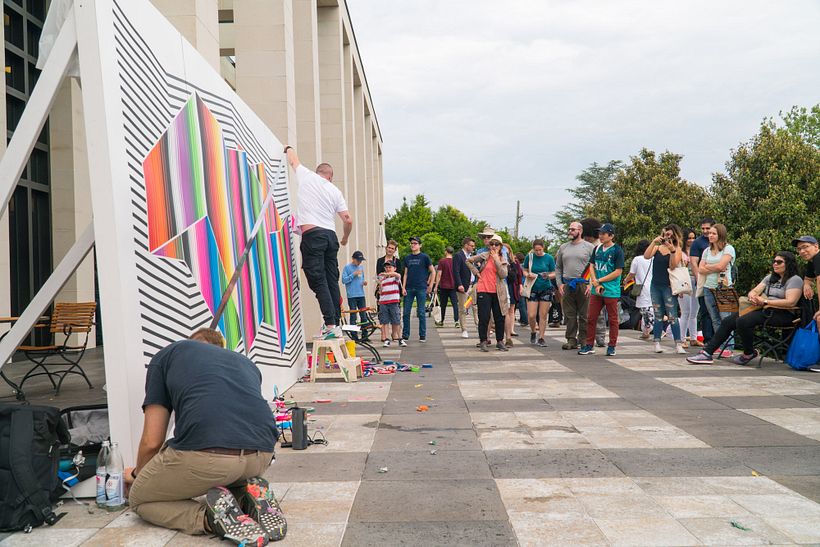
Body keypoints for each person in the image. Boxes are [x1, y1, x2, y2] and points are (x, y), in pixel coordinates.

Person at [125, 328, 285, 545]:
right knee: (224, 475)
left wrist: (138, 477)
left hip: (210, 458)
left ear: (190, 343)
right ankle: (247, 497)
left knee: (140, 499)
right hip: (261, 456)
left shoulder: (167, 356)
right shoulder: (244, 363)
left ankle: (210, 519)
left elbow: (152, 441)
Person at [687, 251, 803, 365]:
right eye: (774, 261)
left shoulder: (795, 280)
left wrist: (766, 301)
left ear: (788, 264)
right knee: (728, 321)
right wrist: (753, 296)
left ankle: (749, 352)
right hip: (764, 309)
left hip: (783, 313)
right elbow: (754, 291)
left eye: (779, 262)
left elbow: (791, 302)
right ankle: (707, 353)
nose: (775, 264)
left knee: (743, 321)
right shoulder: (770, 278)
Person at [285, 146, 351, 339]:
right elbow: (348, 219)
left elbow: (293, 160)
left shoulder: (307, 176)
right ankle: (335, 323)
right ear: (330, 176)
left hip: (313, 235)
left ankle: (330, 324)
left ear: (318, 173)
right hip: (331, 237)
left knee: (318, 279)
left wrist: (288, 148)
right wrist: (345, 237)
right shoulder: (335, 191)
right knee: (331, 280)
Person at [578, 223, 624, 357]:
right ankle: (589, 345)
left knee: (613, 319)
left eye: (604, 233)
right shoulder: (597, 248)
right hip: (596, 289)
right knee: (591, 317)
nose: (601, 236)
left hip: (611, 290)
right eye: (600, 233)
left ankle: (612, 346)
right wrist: (594, 281)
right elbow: (591, 266)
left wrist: (600, 280)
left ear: (611, 235)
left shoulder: (617, 250)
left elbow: (618, 271)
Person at [644, 224, 686, 354]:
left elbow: (673, 266)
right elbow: (646, 256)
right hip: (655, 285)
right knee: (658, 315)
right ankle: (657, 342)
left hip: (668, 286)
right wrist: (653, 242)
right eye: (665, 234)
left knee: (672, 315)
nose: (667, 237)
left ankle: (678, 343)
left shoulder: (677, 249)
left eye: (669, 234)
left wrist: (672, 250)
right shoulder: (657, 248)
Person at [555, 221, 595, 350]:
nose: (570, 232)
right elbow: (558, 267)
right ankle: (571, 339)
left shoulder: (589, 247)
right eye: (569, 229)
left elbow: (594, 267)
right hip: (567, 284)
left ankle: (583, 340)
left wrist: (591, 284)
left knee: (585, 315)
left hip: (584, 284)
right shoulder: (563, 247)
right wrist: (559, 284)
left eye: (573, 229)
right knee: (569, 314)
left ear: (580, 231)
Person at [699, 223, 736, 358]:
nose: (710, 235)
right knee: (714, 318)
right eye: (709, 233)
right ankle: (719, 345)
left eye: (713, 233)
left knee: (726, 317)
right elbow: (700, 268)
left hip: (723, 288)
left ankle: (729, 346)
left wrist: (708, 266)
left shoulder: (728, 249)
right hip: (708, 287)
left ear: (720, 235)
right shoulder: (706, 251)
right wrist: (713, 267)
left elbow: (722, 266)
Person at [468, 234, 509, 352]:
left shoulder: (502, 258)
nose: (494, 246)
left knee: (499, 317)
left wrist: (496, 259)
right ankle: (483, 341)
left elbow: (503, 274)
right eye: (492, 244)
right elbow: (468, 261)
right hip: (483, 289)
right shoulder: (484, 255)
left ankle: (500, 341)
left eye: (496, 244)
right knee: (484, 317)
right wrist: (476, 272)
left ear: (500, 246)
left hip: (498, 291)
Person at [522, 238, 556, 347]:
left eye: (540, 250)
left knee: (543, 315)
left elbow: (554, 272)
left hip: (545, 287)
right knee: (531, 315)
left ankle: (541, 337)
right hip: (532, 287)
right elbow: (524, 269)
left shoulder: (549, 258)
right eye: (536, 250)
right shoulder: (530, 257)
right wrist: (527, 275)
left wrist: (548, 276)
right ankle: (533, 331)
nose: (538, 252)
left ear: (543, 248)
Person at [401, 236, 435, 345]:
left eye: (415, 243)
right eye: (411, 243)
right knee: (406, 312)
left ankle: (422, 335)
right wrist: (403, 287)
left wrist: (430, 285)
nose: (413, 245)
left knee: (421, 312)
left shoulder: (425, 257)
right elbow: (405, 274)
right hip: (409, 288)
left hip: (421, 287)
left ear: (420, 245)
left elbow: (433, 271)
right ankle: (405, 334)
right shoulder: (407, 258)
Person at [581, 218, 608, 347]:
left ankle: (600, 336)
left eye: (587, 236)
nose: (586, 238)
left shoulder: (600, 246)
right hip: (587, 281)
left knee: (599, 312)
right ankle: (588, 336)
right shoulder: (586, 245)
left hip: (599, 281)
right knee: (587, 312)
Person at [690, 217, 716, 342]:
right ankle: (708, 339)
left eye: (708, 228)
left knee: (718, 312)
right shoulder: (697, 243)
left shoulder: (719, 242)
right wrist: (699, 279)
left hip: (717, 282)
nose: (705, 231)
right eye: (703, 228)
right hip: (702, 280)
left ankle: (719, 340)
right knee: (705, 312)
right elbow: (694, 263)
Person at [623, 240, 653, 339]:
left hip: (642, 288)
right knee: (652, 309)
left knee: (645, 310)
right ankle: (651, 330)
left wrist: (626, 280)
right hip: (654, 287)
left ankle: (646, 331)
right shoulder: (653, 258)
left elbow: (632, 273)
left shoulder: (637, 259)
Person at [680, 228, 701, 347]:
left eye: (693, 238)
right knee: (685, 312)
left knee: (694, 312)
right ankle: (682, 339)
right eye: (689, 238)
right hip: (684, 282)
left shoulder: (697, 251)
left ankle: (693, 338)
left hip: (696, 280)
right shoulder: (680, 252)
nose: (691, 240)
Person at [453, 237, 476, 338]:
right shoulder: (459, 256)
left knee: (474, 306)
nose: (473, 248)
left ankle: (478, 324)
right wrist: (459, 284)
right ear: (466, 245)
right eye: (471, 246)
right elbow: (456, 271)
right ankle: (464, 329)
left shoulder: (472, 257)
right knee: (463, 308)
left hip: (472, 285)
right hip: (463, 286)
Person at [341, 251, 367, 337]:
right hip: (352, 295)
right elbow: (344, 280)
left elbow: (361, 279)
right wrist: (353, 274)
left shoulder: (361, 267)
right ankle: (354, 335)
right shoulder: (347, 268)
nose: (359, 262)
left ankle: (365, 335)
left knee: (363, 314)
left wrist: (364, 283)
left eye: (361, 260)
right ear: (353, 259)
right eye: (358, 260)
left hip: (361, 294)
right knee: (353, 315)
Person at [376, 260, 402, 346]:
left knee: (396, 320)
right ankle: (386, 339)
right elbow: (380, 291)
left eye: (390, 267)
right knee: (384, 321)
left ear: (394, 268)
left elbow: (397, 275)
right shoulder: (383, 279)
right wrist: (380, 284)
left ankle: (400, 338)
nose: (388, 269)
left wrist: (386, 274)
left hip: (393, 301)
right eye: (386, 267)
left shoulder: (395, 277)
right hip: (383, 301)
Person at [503, 243, 524, 346]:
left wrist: (520, 285)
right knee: (504, 310)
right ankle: (504, 329)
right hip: (503, 286)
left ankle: (511, 329)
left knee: (512, 309)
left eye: (506, 250)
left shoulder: (514, 262)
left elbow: (519, 275)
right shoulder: (500, 260)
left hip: (512, 286)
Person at [435, 247, 459, 328]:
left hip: (444, 286)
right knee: (455, 304)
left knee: (443, 305)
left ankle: (442, 321)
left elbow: (439, 274)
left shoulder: (442, 261)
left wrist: (436, 286)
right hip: (453, 286)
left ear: (446, 251)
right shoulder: (455, 261)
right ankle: (456, 321)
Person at [794, 235, 819, 302]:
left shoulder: (818, 257)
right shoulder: (812, 261)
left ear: (816, 246)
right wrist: (807, 285)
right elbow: (808, 279)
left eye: (805, 247)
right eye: (799, 249)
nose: (802, 251)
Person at [514, 252, 529, 327]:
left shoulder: (518, 266)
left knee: (521, 304)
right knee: (524, 304)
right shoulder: (525, 266)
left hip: (520, 286)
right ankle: (524, 318)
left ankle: (525, 320)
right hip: (525, 285)